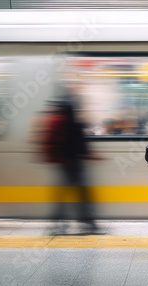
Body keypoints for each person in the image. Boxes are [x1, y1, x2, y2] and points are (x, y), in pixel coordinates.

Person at [47, 89, 98, 235]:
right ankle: (89, 224)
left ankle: (56, 223)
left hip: (64, 163)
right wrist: (92, 155)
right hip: (74, 164)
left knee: (64, 194)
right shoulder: (75, 123)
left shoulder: (65, 120)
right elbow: (80, 145)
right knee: (83, 194)